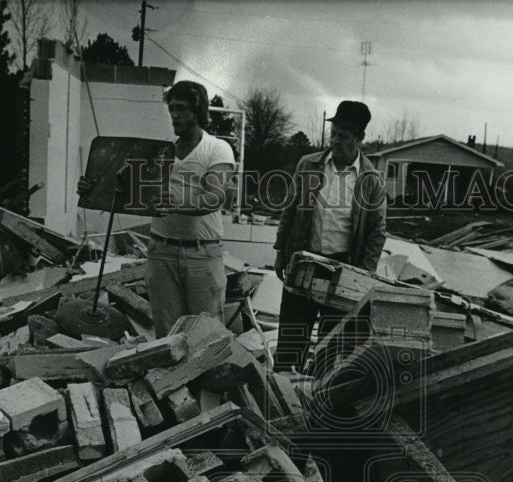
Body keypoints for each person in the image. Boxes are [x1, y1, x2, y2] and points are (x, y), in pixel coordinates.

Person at [80, 81, 235, 338]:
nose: (174, 114)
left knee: (206, 336)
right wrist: (92, 187)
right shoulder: (162, 152)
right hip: (161, 251)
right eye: (171, 107)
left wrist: (175, 205)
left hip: (201, 254)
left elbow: (214, 198)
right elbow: (127, 191)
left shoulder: (217, 148)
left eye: (182, 108)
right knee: (167, 336)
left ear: (198, 110)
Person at [272, 100, 387, 372]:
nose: (335, 140)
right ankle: (285, 396)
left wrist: (363, 276)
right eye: (333, 133)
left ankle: (320, 402)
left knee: (332, 350)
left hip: (343, 270)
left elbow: (377, 232)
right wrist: (280, 252)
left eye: (343, 136)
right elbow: (290, 209)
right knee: (291, 339)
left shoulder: (371, 179)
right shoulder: (308, 165)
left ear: (359, 138)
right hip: (304, 262)